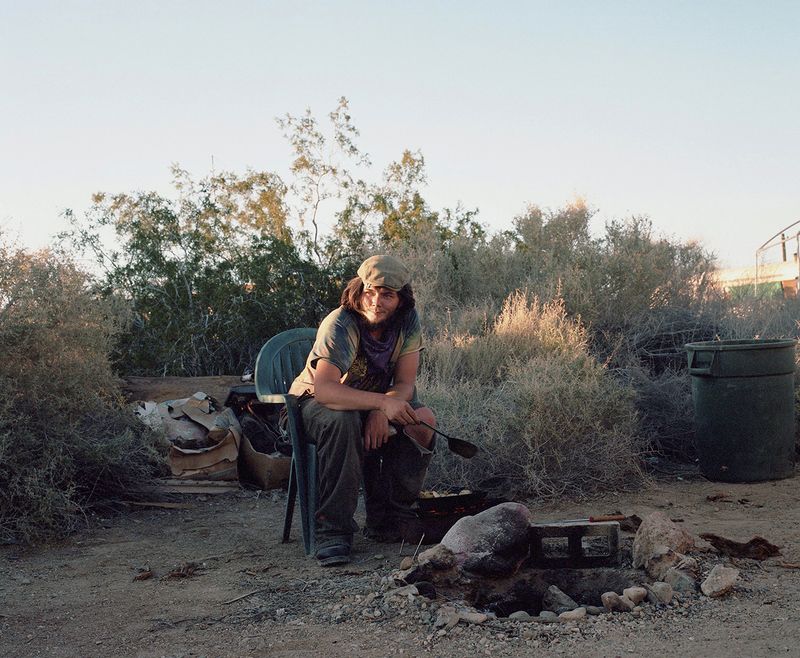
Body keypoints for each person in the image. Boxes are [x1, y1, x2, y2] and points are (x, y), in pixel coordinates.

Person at [289, 254, 436, 566]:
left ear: (401, 299)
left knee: (423, 421)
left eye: (387, 295)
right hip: (314, 404)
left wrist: (383, 411)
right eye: (370, 291)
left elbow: (405, 383)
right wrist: (381, 404)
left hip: (372, 401)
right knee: (342, 422)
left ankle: (389, 518)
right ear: (358, 290)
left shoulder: (408, 321)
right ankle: (334, 530)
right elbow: (326, 391)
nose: (376, 302)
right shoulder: (340, 323)